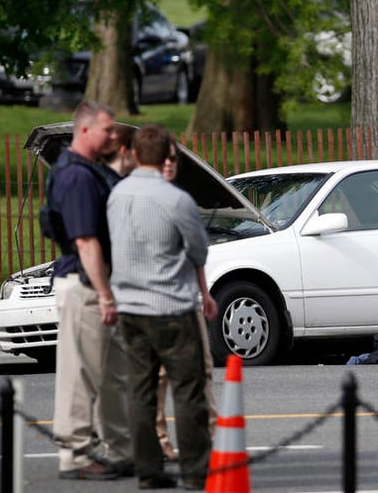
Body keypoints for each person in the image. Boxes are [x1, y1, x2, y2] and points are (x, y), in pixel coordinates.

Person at [108, 123, 218, 490]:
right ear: (167, 157)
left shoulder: (117, 195)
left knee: (140, 391)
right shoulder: (177, 199)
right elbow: (199, 250)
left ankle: (148, 470)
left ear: (136, 154)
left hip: (130, 305)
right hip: (171, 304)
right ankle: (194, 471)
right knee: (187, 391)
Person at [46, 101, 133, 480]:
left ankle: (121, 451)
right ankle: (77, 457)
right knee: (79, 375)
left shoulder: (89, 171)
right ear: (85, 131)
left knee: (113, 373)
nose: (114, 136)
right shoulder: (77, 177)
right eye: (107, 129)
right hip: (86, 284)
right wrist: (105, 294)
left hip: (95, 283)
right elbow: (86, 241)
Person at [154, 141, 218, 464]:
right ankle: (160, 441)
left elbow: (197, 254)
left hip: (186, 297)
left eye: (173, 159)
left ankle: (212, 437)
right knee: (160, 376)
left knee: (203, 369)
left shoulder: (182, 202)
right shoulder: (142, 200)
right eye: (163, 158)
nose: (169, 163)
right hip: (153, 303)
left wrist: (204, 293)